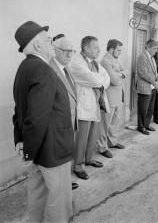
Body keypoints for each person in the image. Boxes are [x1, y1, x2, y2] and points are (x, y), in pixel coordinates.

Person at [13, 21, 74, 222]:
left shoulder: (24, 67)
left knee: (38, 195)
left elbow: (20, 111)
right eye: (48, 40)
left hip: (38, 147)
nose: (51, 43)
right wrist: (28, 151)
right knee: (59, 200)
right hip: (52, 148)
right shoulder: (43, 69)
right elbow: (37, 117)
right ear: (38, 45)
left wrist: (21, 142)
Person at [70, 36, 110, 179]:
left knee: (93, 136)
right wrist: (99, 80)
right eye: (95, 47)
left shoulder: (94, 62)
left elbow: (107, 77)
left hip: (96, 102)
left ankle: (88, 159)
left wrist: (100, 82)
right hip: (84, 105)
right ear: (85, 48)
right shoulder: (76, 62)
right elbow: (94, 79)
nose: (98, 50)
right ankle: (78, 166)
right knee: (82, 138)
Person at [49, 34, 79, 190]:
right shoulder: (49, 70)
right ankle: (60, 185)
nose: (69, 54)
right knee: (59, 157)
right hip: (58, 125)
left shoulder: (67, 68)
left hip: (70, 121)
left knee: (67, 155)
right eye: (65, 50)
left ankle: (66, 181)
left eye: (72, 51)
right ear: (56, 50)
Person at [98, 39, 125, 159]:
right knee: (105, 123)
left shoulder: (115, 60)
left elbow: (125, 71)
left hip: (118, 96)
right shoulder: (105, 61)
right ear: (111, 49)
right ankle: (102, 147)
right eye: (118, 50)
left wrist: (119, 73)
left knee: (115, 121)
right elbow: (114, 80)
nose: (120, 52)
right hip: (109, 97)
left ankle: (112, 142)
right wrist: (120, 74)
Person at [136, 39, 158, 135]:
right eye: (154, 48)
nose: (156, 50)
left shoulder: (152, 58)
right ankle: (141, 126)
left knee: (150, 108)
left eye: (156, 48)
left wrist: (157, 80)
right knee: (143, 108)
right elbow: (143, 73)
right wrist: (154, 81)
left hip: (152, 86)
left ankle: (146, 124)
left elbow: (155, 71)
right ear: (148, 47)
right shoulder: (142, 56)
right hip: (145, 86)